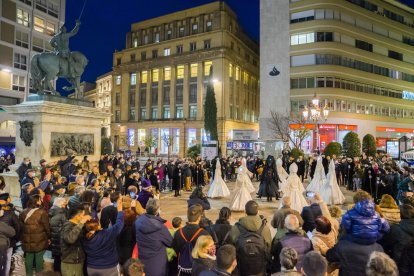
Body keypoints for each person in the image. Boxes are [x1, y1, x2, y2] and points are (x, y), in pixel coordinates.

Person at [83, 195, 124, 276]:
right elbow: (119, 225)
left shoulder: (83, 237)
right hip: (109, 268)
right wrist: (119, 211)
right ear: (98, 226)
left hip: (91, 268)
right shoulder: (107, 234)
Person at [229, 200, 271, 276]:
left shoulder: (236, 228)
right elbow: (269, 249)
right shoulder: (265, 228)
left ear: (245, 212)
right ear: (258, 212)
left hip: (241, 267)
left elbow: (232, 247)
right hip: (260, 268)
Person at [134, 198, 172, 275]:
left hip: (142, 261)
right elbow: (170, 242)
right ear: (157, 211)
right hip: (157, 265)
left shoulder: (138, 222)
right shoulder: (161, 227)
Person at [172, 204, 209, 274]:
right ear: (199, 218)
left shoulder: (178, 233)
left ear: (188, 216)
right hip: (198, 270)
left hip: (183, 268)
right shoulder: (204, 234)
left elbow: (175, 249)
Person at [19, 195, 51, 275]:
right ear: (36, 201)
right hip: (39, 240)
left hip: (26, 240)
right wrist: (49, 237)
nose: (41, 201)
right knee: (39, 258)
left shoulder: (23, 212)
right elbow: (47, 227)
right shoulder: (42, 212)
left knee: (28, 258)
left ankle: (29, 274)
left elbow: (20, 227)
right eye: (40, 199)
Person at [60, 207, 91, 276]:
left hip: (78, 262)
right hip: (69, 263)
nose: (85, 216)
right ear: (77, 216)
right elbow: (70, 239)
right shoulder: (67, 225)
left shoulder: (79, 226)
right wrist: (81, 222)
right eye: (83, 215)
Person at [49, 197, 68, 272]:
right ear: (59, 204)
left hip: (55, 238)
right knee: (59, 258)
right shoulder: (60, 213)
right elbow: (60, 227)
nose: (65, 205)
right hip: (59, 238)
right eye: (63, 204)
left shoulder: (53, 210)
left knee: (57, 257)